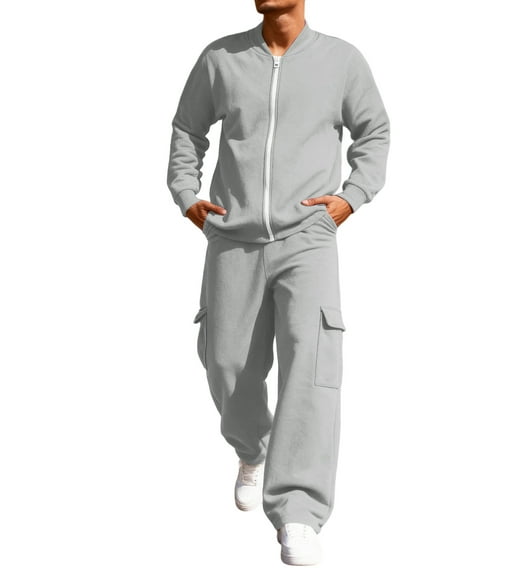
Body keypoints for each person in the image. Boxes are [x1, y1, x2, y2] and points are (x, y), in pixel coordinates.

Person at [166, 0, 390, 565]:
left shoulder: (341, 61)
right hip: (232, 237)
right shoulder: (221, 58)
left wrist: (351, 197)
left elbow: (374, 132)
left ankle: (299, 511)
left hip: (308, 237)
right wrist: (188, 196)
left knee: (310, 364)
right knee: (225, 363)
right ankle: (253, 447)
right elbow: (187, 130)